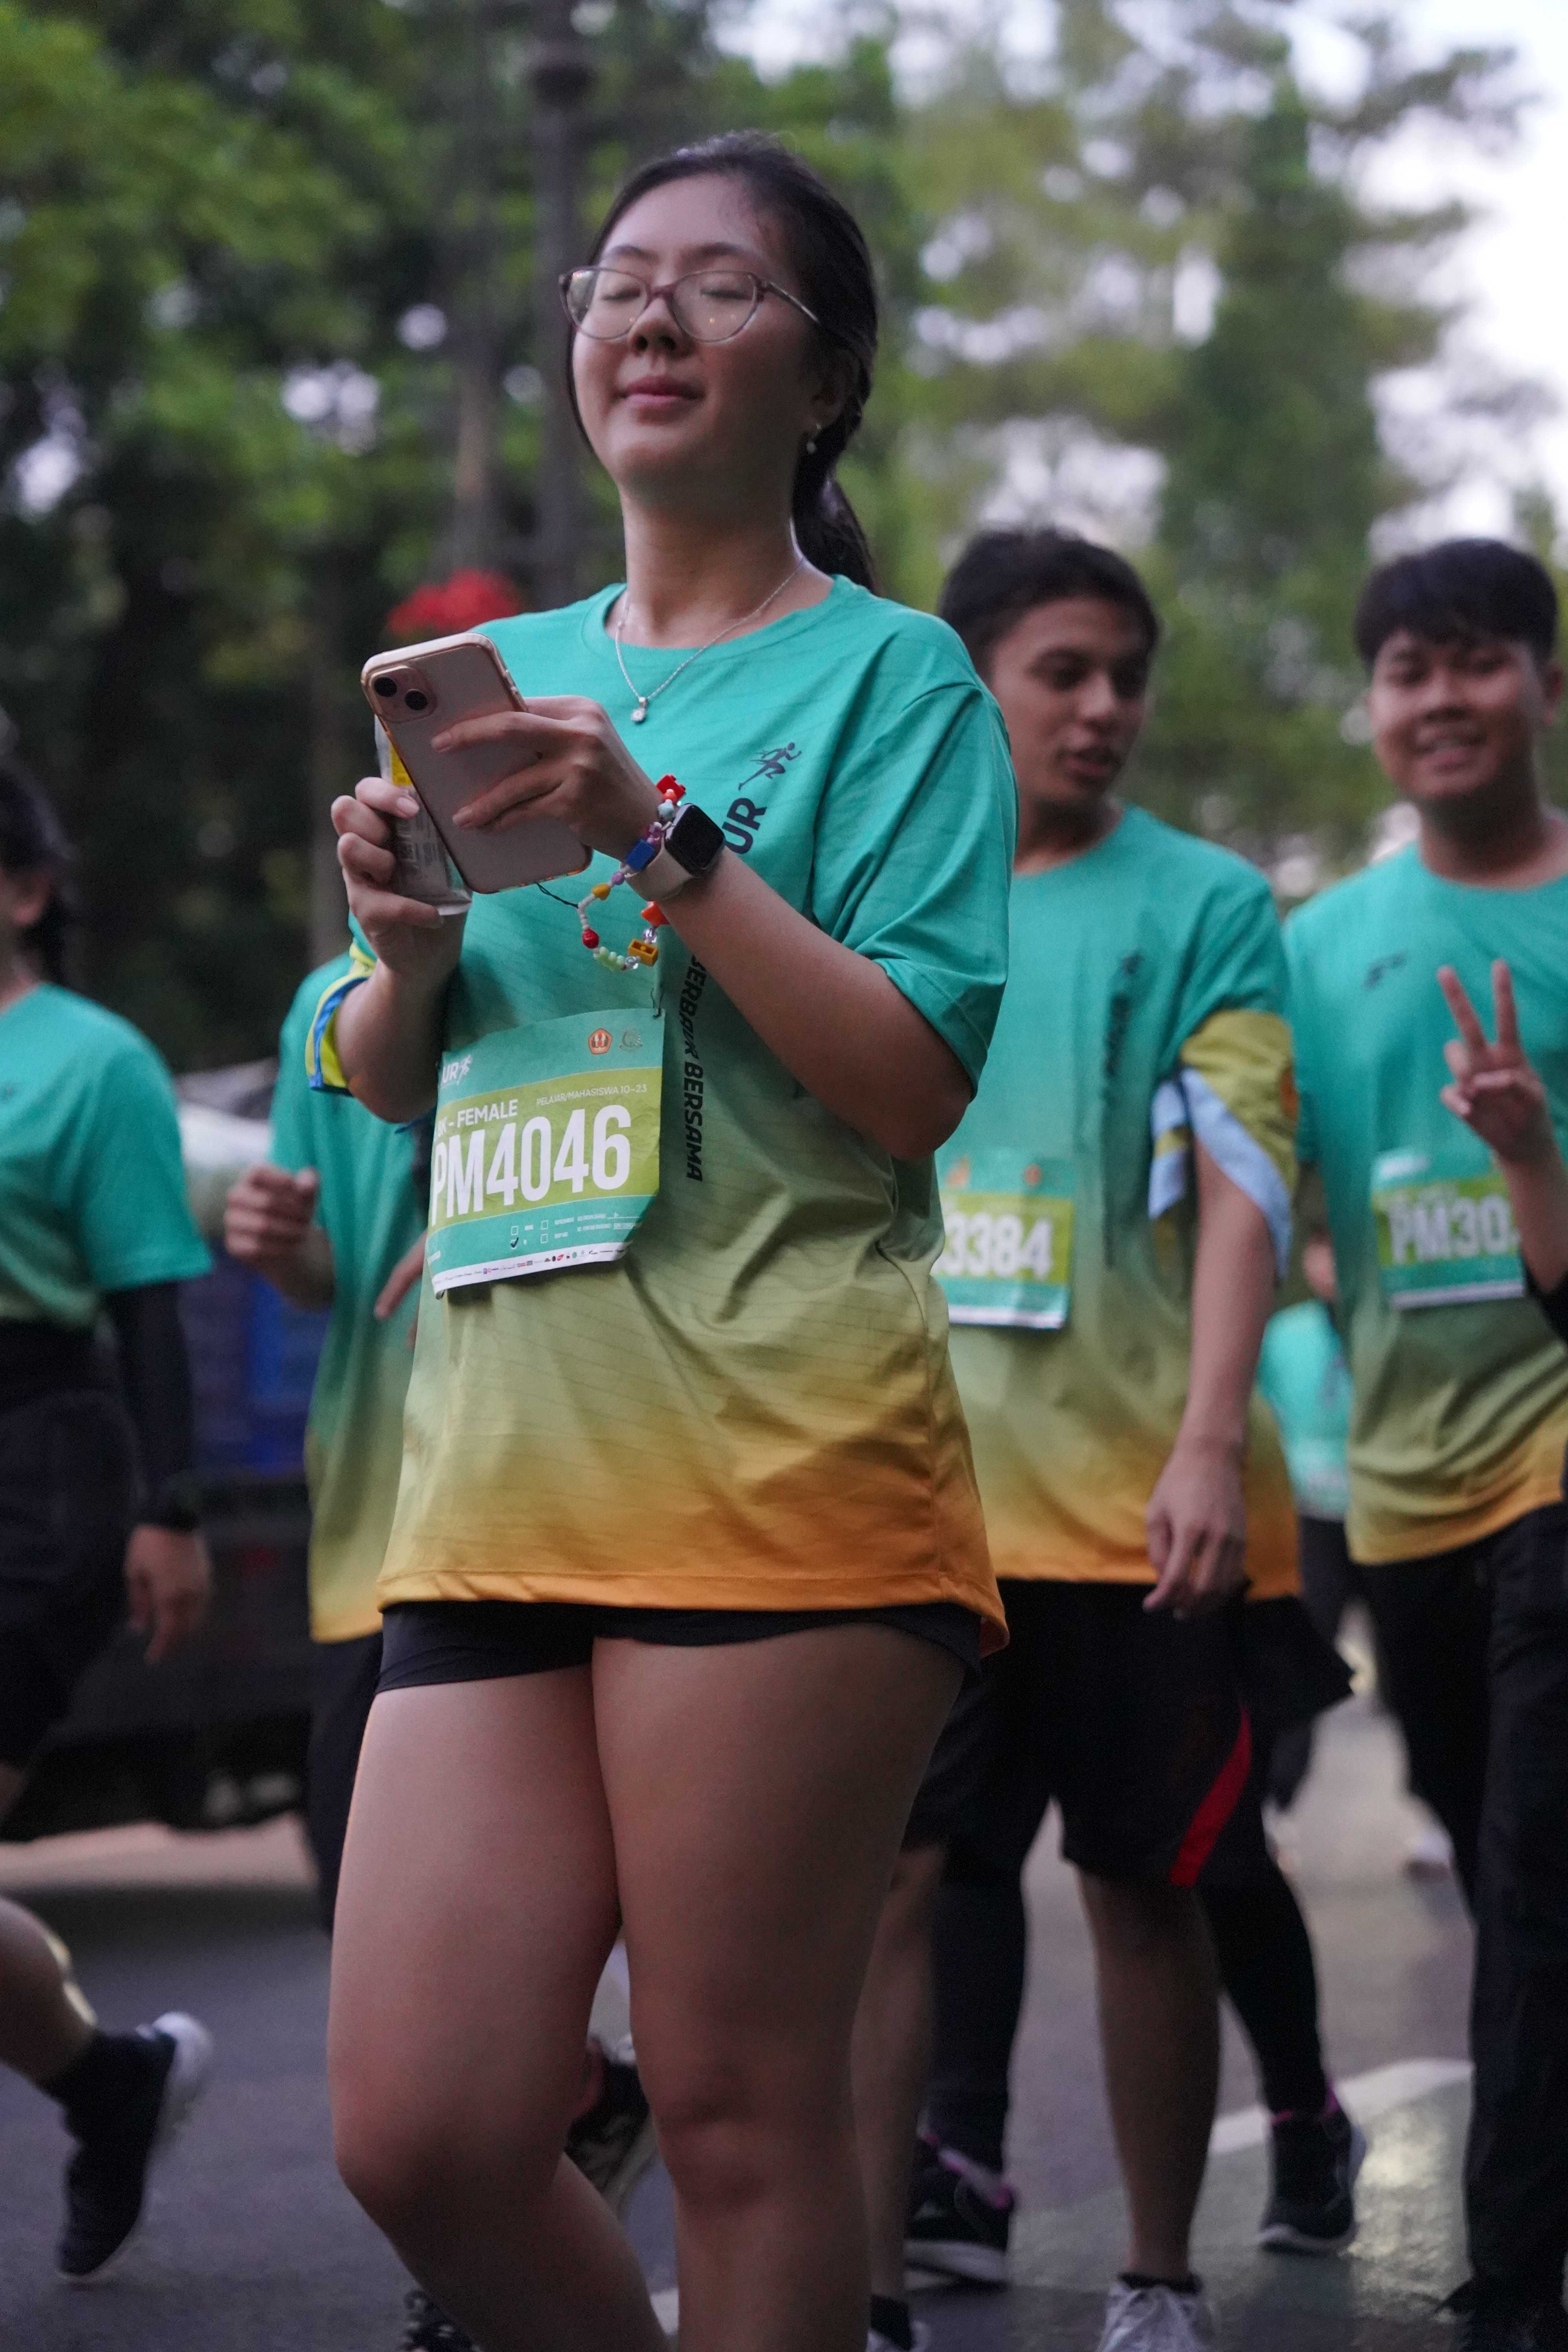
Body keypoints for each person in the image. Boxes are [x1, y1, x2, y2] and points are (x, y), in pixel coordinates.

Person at [321, 133, 1016, 2352]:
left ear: (824, 382)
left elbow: (909, 1081)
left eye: (720, 286)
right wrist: (406, 953)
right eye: (621, 281)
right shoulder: (488, 677)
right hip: (502, 1475)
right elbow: (395, 1075)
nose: (649, 316)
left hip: (783, 1466)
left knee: (734, 2116)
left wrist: (660, 830)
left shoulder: (900, 682)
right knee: (422, 2130)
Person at [853, 529, 1352, 2352]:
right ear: (971, 685)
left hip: (1138, 1507)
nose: (1103, 707)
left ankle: (1155, 2277)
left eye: (1125, 675)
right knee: (895, 1896)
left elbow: (1242, 1182)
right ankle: (869, 2293)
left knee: (1150, 1891)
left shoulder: (1207, 902)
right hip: (912, 1505)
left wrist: (1209, 1440)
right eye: (1060, 670)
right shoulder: (877, 888)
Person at [225, 962, 655, 2352]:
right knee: (391, 1932)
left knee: (690, 1987)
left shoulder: (601, 938)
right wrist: (279, 1246)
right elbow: (332, 1272)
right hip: (381, 1518)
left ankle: (534, 2195)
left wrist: (492, 1227)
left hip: (574, 1502)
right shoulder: (326, 1003)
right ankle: (570, 2126)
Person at [1285, 537, 1568, 2352]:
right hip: (1402, 1479)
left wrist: (1530, 1152)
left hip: (1560, 1455)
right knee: (1493, 1860)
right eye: (1406, 670)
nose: (1440, 698)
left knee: (1531, 1883)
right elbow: (1265, 1201)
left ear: (1543, 683)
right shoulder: (1317, 948)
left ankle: (1512, 2284)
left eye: (1474, 660)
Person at [0, 752, 214, 2279]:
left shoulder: (94, 1063)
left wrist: (171, 1508)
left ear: (26, 891)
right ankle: (108, 2082)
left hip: (38, 1472)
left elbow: (148, 1297)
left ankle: (110, 2084)